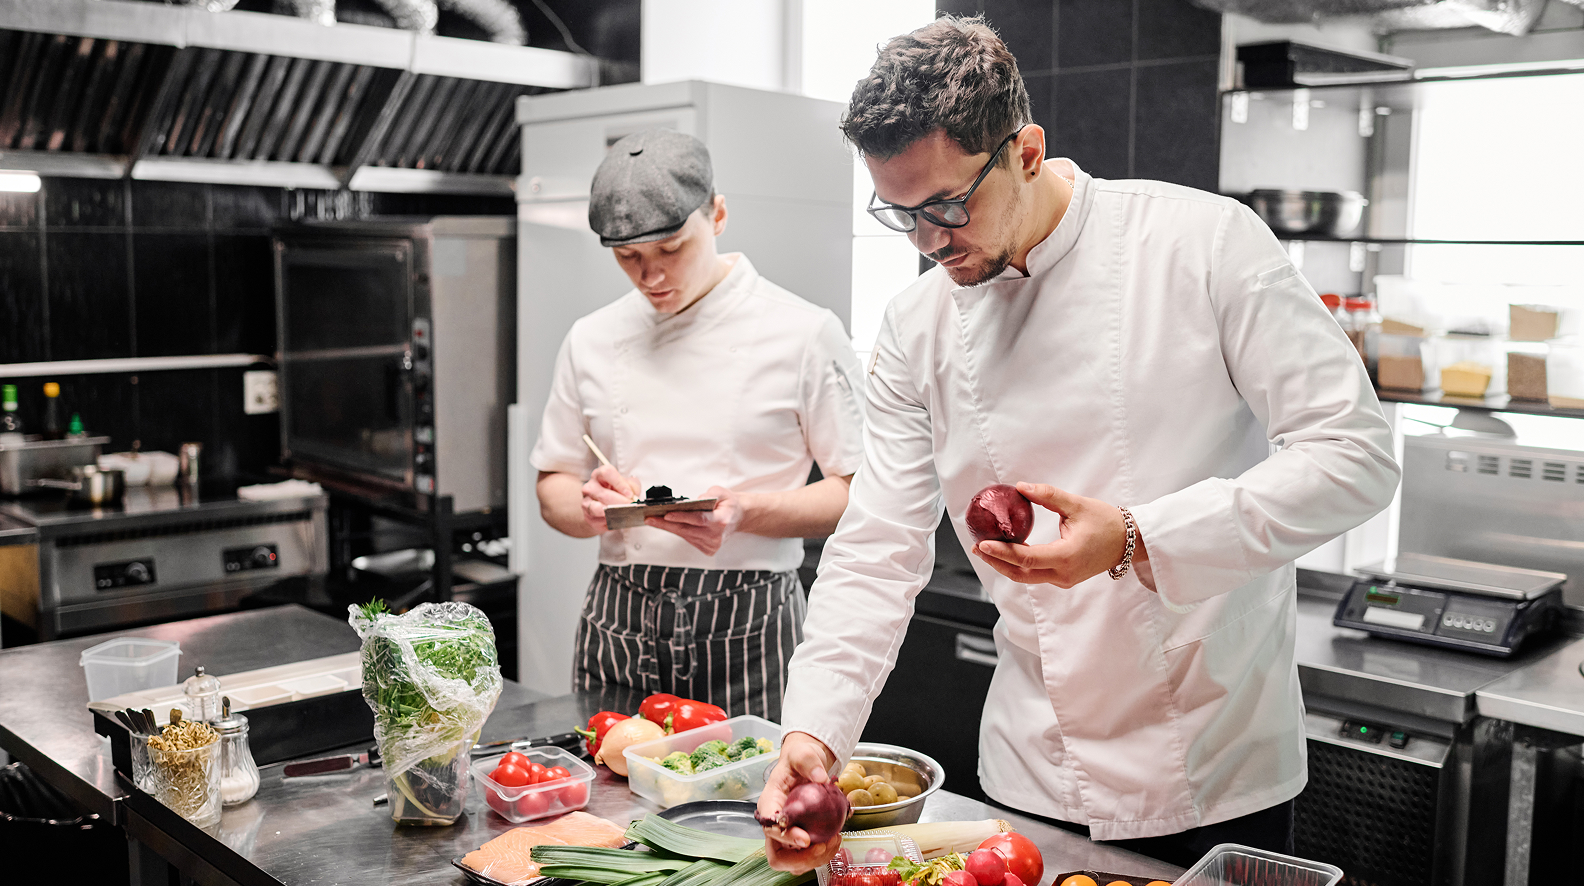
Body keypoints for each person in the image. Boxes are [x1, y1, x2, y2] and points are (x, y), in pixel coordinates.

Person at [758, 16, 1400, 869]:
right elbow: (876, 549)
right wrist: (815, 728)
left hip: (1210, 760)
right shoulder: (917, 324)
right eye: (900, 215)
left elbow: (1354, 456)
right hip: (1032, 763)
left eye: (949, 206)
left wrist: (1139, 538)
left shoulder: (1202, 246)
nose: (929, 244)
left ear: (1026, 150)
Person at [530, 129, 865, 719]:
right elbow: (553, 482)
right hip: (619, 614)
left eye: (671, 249)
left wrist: (745, 513)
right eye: (629, 258)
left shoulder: (804, 333)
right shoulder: (591, 337)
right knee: (610, 799)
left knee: (750, 801)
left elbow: (860, 493)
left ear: (718, 214)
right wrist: (587, 510)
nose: (651, 276)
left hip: (750, 621)